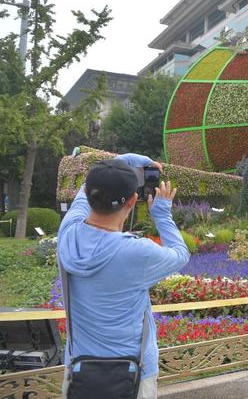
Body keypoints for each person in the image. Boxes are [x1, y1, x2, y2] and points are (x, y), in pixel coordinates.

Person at [57, 154, 189, 398]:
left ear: (88, 196)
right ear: (132, 200)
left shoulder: (68, 233)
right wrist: (162, 214)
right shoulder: (136, 252)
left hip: (79, 371)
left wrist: (124, 162)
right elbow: (180, 254)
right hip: (133, 373)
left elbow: (91, 183)